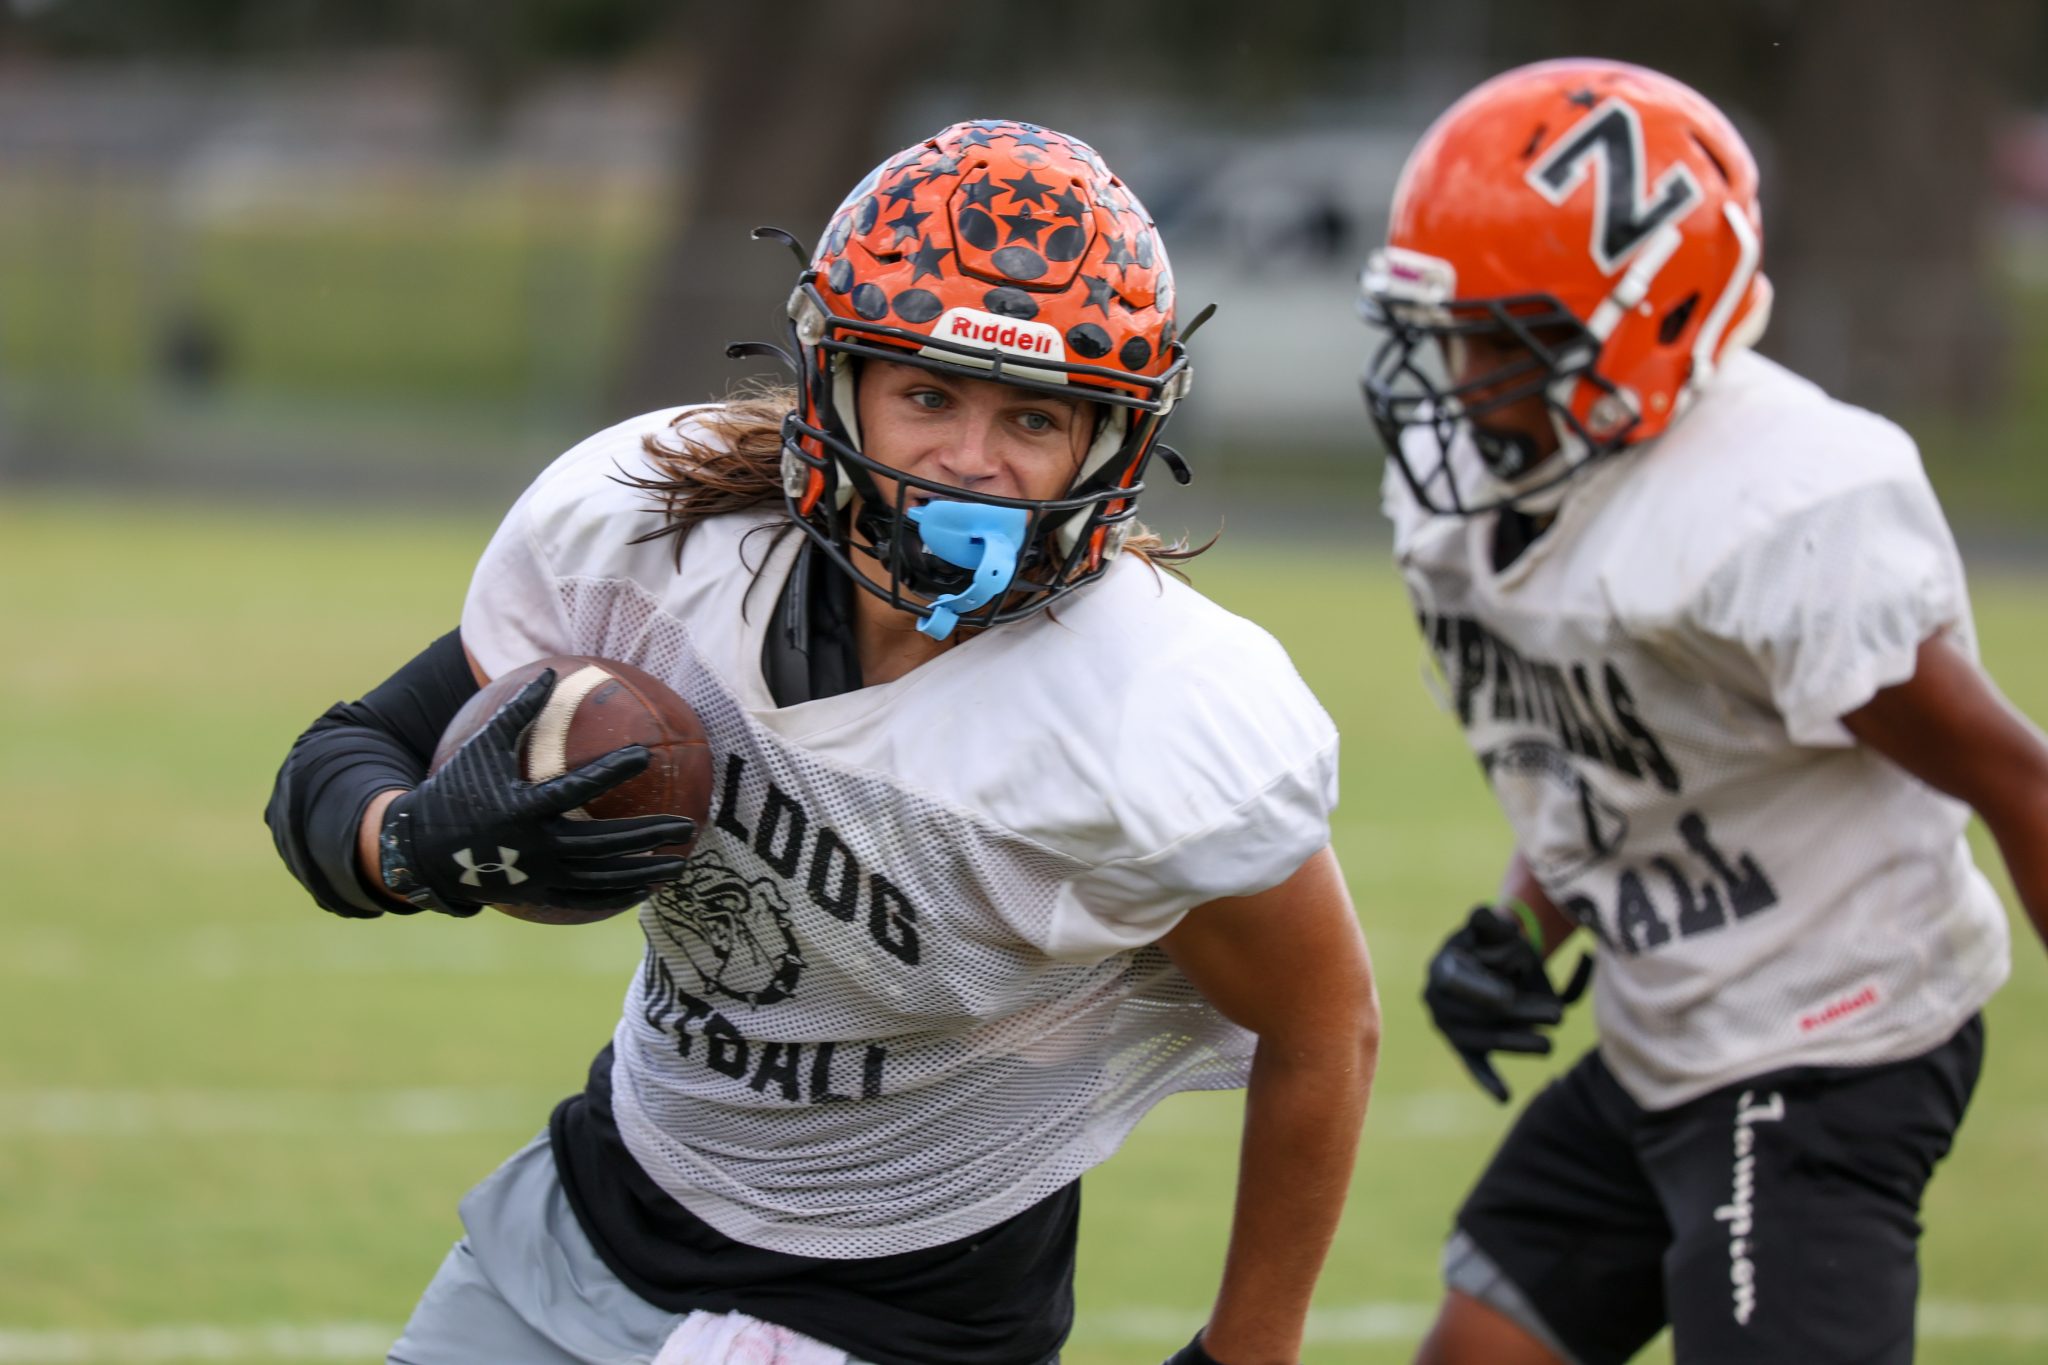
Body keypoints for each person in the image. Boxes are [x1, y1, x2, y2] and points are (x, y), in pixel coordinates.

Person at [267, 119, 1379, 1365]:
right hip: (595, 1213)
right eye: (926, 395)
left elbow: (1320, 1026)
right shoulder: (654, 535)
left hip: (902, 1310)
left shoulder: (1149, 708)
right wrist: (406, 844)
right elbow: (344, 758)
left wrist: (1250, 1351)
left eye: (1033, 419)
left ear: (1105, 445)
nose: (970, 463)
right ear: (834, 381)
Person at [1358, 59, 2048, 1365]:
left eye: (1503, 341)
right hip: (1665, 1027)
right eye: (1450, 331)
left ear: (1644, 334)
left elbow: (2017, 778)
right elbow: (1613, 758)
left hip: (1831, 1044)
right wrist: (1527, 925)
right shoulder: (1470, 493)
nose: (1456, 375)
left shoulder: (1772, 510)